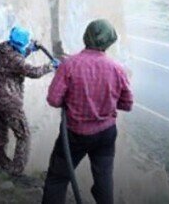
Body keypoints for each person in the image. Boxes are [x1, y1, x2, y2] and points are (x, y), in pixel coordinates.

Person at [42, 19, 134, 204]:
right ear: (109, 41)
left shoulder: (70, 65)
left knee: (58, 178)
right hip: (106, 135)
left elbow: (53, 100)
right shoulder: (117, 69)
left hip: (75, 134)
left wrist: (71, 100)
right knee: (104, 179)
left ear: (86, 36)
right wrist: (105, 103)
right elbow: (127, 104)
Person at [0, 26, 57, 178]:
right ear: (20, 44)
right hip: (9, 101)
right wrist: (50, 67)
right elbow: (32, 72)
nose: (28, 44)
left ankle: (4, 165)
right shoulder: (17, 60)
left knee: (1, 133)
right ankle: (16, 172)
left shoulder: (4, 48)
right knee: (24, 135)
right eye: (26, 43)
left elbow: (16, 56)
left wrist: (30, 50)